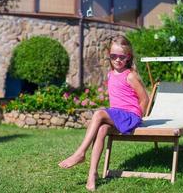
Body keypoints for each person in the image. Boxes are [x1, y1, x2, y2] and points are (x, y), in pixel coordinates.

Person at [58, 35, 149, 191]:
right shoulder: (110, 74)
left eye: (122, 56)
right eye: (114, 56)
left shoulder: (130, 75)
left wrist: (138, 117)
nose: (117, 60)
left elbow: (145, 99)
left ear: (128, 57)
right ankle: (92, 174)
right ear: (109, 55)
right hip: (118, 116)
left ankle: (80, 153)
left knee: (99, 114)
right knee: (101, 129)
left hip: (130, 116)